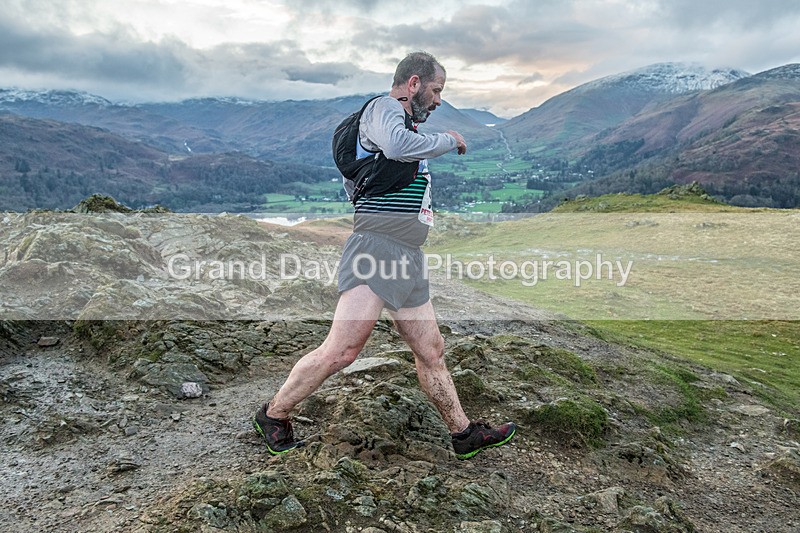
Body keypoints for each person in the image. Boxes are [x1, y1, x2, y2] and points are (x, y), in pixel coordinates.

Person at [253, 51, 516, 460]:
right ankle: (273, 414)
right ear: (413, 84)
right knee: (342, 351)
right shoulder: (384, 109)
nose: (439, 100)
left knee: (431, 351)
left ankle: (463, 434)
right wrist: (450, 139)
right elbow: (395, 146)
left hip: (406, 254)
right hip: (375, 249)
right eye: (436, 90)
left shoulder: (404, 123)